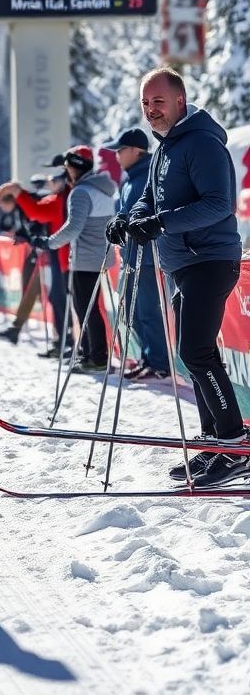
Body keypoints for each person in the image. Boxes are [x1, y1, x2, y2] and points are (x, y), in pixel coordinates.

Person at [109, 67, 244, 486]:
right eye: (146, 103)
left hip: (209, 259)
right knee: (194, 356)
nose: (151, 110)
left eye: (158, 101)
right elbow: (149, 198)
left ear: (180, 101)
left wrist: (161, 224)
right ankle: (215, 443)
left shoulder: (201, 143)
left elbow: (220, 204)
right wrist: (129, 220)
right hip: (183, 263)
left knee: (197, 351)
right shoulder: (166, 149)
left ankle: (235, 446)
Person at [103, 127, 170, 380]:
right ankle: (148, 357)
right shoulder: (130, 177)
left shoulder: (147, 175)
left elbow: (149, 210)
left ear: (135, 151)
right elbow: (125, 210)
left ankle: (159, 362)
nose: (117, 156)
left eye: (120, 150)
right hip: (131, 255)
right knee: (133, 309)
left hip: (148, 255)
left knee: (147, 310)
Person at [41, 146, 116, 372]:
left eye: (67, 167)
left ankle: (97, 358)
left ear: (75, 167)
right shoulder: (101, 188)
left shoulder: (81, 192)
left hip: (85, 258)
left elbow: (73, 228)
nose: (66, 171)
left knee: (85, 308)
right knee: (88, 308)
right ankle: (89, 354)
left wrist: (48, 242)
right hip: (99, 256)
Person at [0, 174, 71, 357]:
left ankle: (64, 339)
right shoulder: (18, 209)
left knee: (52, 294)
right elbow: (25, 227)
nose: (3, 209)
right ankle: (23, 329)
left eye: (2, 205)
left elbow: (41, 218)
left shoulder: (27, 202)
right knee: (37, 291)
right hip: (43, 251)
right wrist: (25, 236)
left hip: (49, 250)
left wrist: (33, 236)